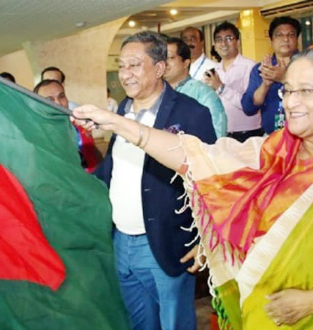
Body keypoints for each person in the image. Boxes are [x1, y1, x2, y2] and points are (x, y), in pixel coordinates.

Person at [74, 45, 313, 330]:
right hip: (265, 313)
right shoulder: (276, 151)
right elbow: (195, 156)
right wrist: (116, 123)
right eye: (287, 89)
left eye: (306, 91)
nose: (290, 101)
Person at [88, 31, 216, 330]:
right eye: (121, 66)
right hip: (122, 242)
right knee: (139, 323)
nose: (125, 74)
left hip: (165, 242)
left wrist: (204, 239)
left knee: (174, 323)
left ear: (159, 68)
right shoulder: (123, 110)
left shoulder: (191, 113)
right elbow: (114, 169)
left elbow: (210, 181)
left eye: (134, 65)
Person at [241, 16, 300, 135]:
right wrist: (266, 84)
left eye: (291, 34)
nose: (286, 39)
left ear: (297, 39)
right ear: (271, 41)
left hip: (303, 136)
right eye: (279, 35)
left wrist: (284, 79)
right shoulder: (261, 69)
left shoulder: (308, 64)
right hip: (271, 136)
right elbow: (248, 108)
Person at [204, 22, 261, 142]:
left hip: (247, 133)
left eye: (229, 38)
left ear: (238, 42)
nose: (223, 43)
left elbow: (249, 104)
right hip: (221, 133)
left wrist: (221, 88)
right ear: (214, 45)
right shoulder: (214, 71)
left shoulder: (250, 67)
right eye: (219, 39)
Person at [164, 37, 227, 138]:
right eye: (161, 58)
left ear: (186, 63)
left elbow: (217, 134)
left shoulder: (203, 93)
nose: (164, 63)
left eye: (170, 57)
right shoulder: (156, 93)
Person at [33, 79, 100, 173]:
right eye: (49, 99)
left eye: (61, 96)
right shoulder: (36, 137)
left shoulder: (80, 127)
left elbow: (93, 155)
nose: (58, 103)